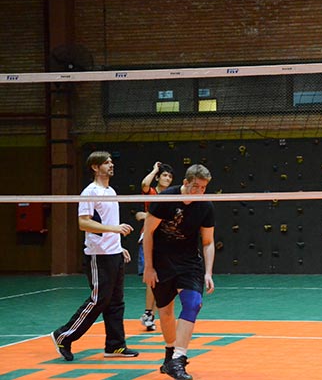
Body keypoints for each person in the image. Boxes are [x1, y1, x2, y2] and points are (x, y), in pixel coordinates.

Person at [51, 151, 139, 361]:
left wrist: (118, 245)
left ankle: (115, 345)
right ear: (95, 167)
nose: (111, 165)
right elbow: (84, 222)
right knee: (99, 300)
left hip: (113, 253)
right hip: (97, 256)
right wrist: (115, 230)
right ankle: (64, 335)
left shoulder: (111, 191)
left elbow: (107, 223)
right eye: (106, 163)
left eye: (111, 162)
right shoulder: (89, 192)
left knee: (116, 302)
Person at [142, 164, 215, 380]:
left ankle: (179, 358)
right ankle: (169, 355)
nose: (200, 192)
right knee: (165, 312)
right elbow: (148, 232)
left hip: (189, 263)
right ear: (185, 183)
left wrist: (208, 272)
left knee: (193, 304)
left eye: (204, 188)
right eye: (196, 187)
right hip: (162, 261)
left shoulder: (206, 206)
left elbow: (208, 242)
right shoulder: (165, 199)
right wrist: (148, 266)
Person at [134, 161, 175, 331]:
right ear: (158, 177)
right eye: (164, 175)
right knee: (152, 278)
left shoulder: (173, 196)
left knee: (164, 280)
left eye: (170, 176)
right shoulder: (151, 193)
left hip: (167, 239)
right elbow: (144, 184)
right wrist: (155, 169)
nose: (167, 178)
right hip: (150, 238)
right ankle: (149, 313)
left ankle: (150, 313)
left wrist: (145, 215)